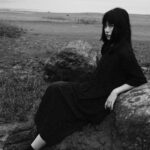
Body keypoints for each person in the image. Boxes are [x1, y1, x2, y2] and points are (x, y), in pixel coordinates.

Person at [26, 7, 147, 150]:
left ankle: (34, 146)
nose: (107, 30)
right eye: (105, 25)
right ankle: (39, 130)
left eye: (111, 26)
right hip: (90, 89)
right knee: (54, 89)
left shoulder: (124, 51)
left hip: (95, 100)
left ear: (121, 27)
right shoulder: (109, 47)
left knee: (59, 104)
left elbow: (139, 78)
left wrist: (115, 92)